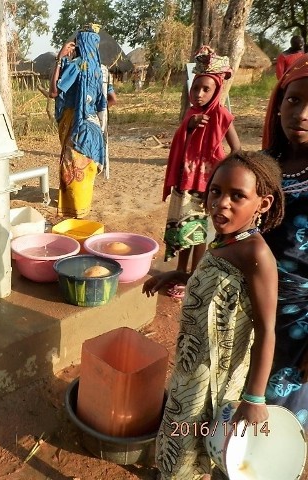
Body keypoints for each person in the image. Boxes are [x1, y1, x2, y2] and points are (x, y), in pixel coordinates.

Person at [143, 150, 284, 479]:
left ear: (262, 204)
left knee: (200, 444)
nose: (221, 203)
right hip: (191, 368)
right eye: (216, 191)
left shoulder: (256, 254)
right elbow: (218, 285)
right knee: (181, 437)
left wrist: (254, 397)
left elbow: (266, 330)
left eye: (238, 196)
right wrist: (177, 277)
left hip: (215, 380)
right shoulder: (222, 238)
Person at [161, 46, 240, 298]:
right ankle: (180, 271)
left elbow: (236, 149)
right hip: (185, 183)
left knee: (198, 232)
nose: (199, 94)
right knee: (183, 229)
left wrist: (223, 175)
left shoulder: (221, 115)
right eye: (196, 88)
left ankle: (192, 277)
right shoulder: (191, 115)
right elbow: (179, 146)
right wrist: (188, 126)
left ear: (217, 90)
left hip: (206, 186)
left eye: (206, 89)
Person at [262, 54, 308, 430]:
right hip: (244, 309)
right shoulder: (261, 165)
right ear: (279, 104)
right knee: (231, 401)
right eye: (294, 100)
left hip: (298, 325)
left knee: (276, 417)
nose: (302, 113)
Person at [49, 24, 107, 219]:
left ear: (79, 44)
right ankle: (83, 213)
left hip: (78, 129)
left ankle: (75, 218)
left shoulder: (77, 66)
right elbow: (103, 103)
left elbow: (54, 92)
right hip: (94, 130)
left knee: (71, 171)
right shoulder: (98, 71)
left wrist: (59, 59)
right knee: (86, 171)